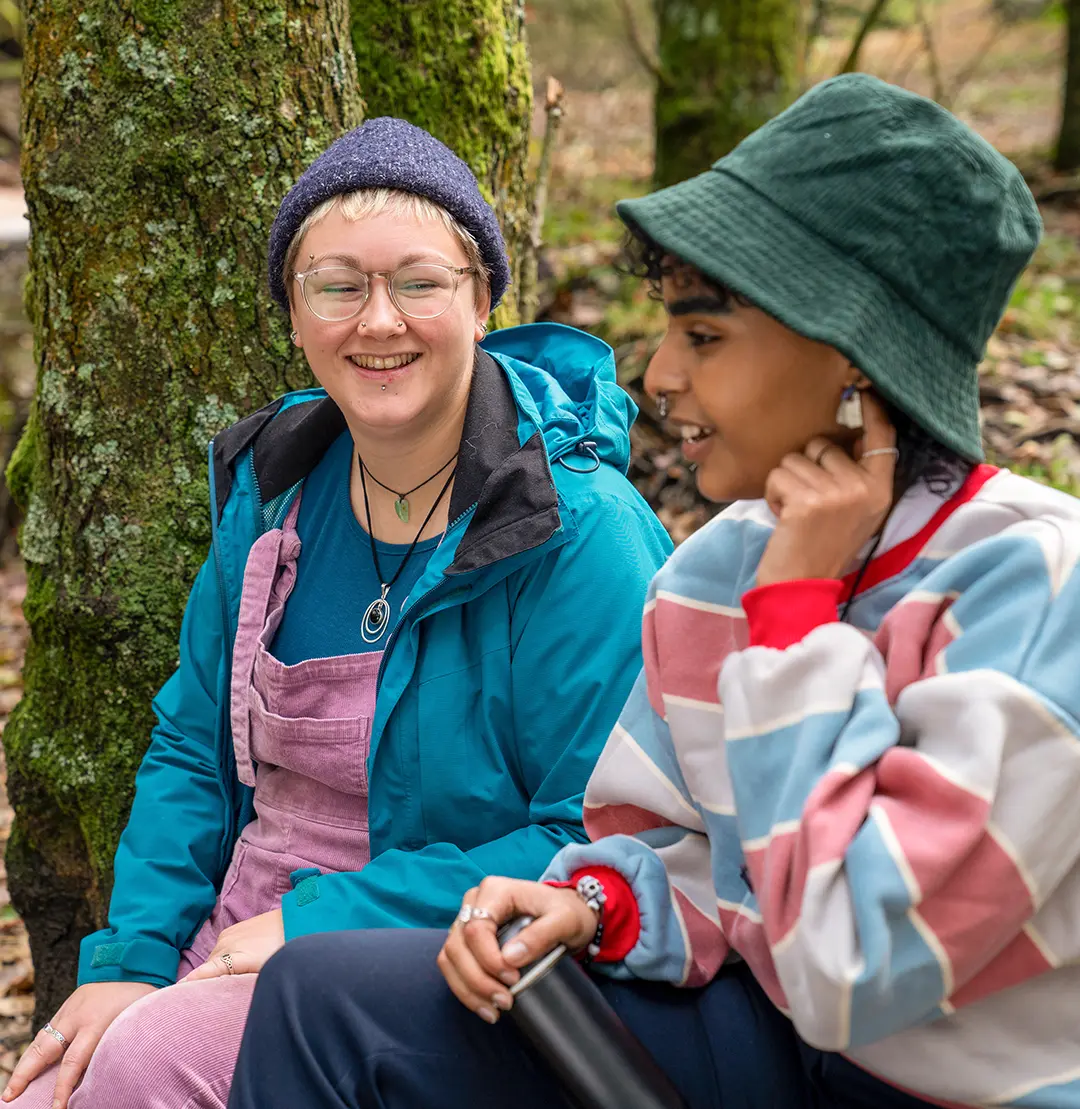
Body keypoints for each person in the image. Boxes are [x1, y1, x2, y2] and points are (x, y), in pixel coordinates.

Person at [227, 75, 1080, 1109]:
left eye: (706, 336)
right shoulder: (720, 565)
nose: (659, 373)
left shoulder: (1032, 586)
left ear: (855, 357)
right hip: (769, 1035)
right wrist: (594, 901)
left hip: (948, 1082)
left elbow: (854, 961)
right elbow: (695, 851)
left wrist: (796, 615)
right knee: (324, 999)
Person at [4, 119, 671, 1109]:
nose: (379, 320)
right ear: (294, 310)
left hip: (444, 966)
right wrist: (132, 960)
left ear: (482, 297)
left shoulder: (579, 533)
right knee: (57, 1080)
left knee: (140, 1072)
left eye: (419, 280)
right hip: (236, 929)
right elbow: (193, 750)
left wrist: (319, 920)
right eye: (338, 284)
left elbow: (609, 836)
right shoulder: (273, 491)